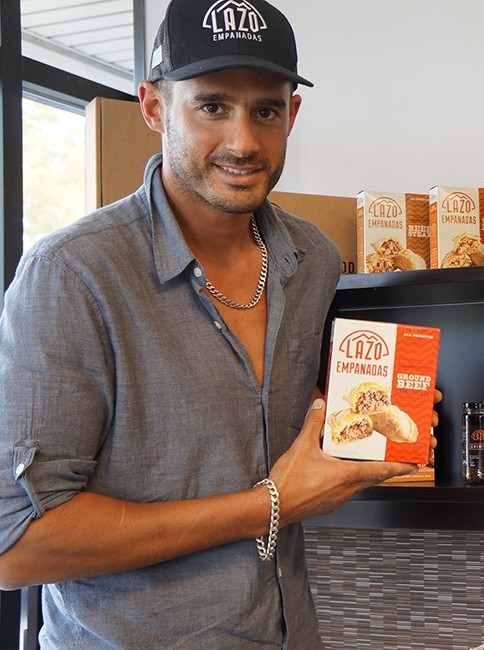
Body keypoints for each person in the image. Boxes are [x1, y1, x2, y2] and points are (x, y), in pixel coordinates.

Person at [0, 0, 434, 646]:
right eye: (211, 106)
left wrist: (362, 423)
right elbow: (19, 547)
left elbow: (268, 440)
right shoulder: (73, 273)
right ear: (153, 107)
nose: (244, 142)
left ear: (293, 114)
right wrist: (272, 504)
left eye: (266, 110)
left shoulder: (310, 259)